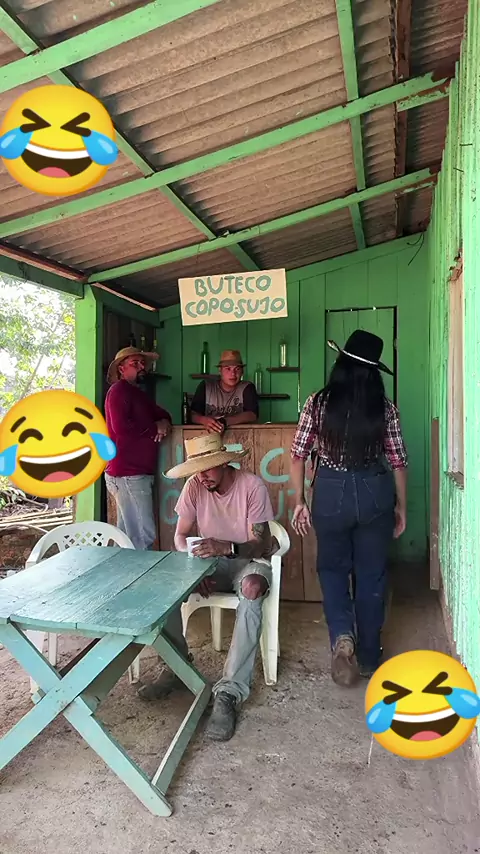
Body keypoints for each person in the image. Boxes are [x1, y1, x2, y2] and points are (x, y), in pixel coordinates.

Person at [137, 433, 274, 742]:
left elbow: (260, 543)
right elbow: (180, 536)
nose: (202, 476)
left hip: (247, 561)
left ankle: (229, 692)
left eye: (208, 468)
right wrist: (194, 567)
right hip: (210, 562)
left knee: (252, 588)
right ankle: (176, 667)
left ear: (224, 463)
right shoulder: (194, 486)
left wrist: (227, 547)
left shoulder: (252, 486)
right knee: (165, 585)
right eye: (197, 470)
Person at [290, 330, 408, 687]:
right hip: (374, 490)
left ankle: (342, 635)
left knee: (332, 568)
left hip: (330, 491)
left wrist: (299, 501)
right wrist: (401, 507)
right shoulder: (385, 408)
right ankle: (370, 656)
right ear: (374, 372)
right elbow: (398, 461)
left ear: (340, 364)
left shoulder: (317, 403)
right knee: (372, 574)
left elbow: (297, 455)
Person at [104, 346, 172, 550]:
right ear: (121, 368)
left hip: (133, 473)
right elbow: (121, 427)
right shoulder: (119, 391)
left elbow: (163, 414)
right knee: (142, 536)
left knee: (128, 537)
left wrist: (162, 422)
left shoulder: (137, 393)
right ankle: (139, 572)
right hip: (128, 472)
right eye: (135, 363)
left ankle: (121, 570)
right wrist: (154, 428)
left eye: (143, 363)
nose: (142, 367)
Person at [190, 349, 258, 433]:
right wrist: (204, 420)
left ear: (242, 371)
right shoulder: (206, 386)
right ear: (220, 370)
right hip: (208, 436)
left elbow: (252, 415)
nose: (233, 374)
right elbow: (192, 415)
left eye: (237, 369)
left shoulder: (247, 387)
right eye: (228, 369)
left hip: (241, 436)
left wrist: (225, 421)